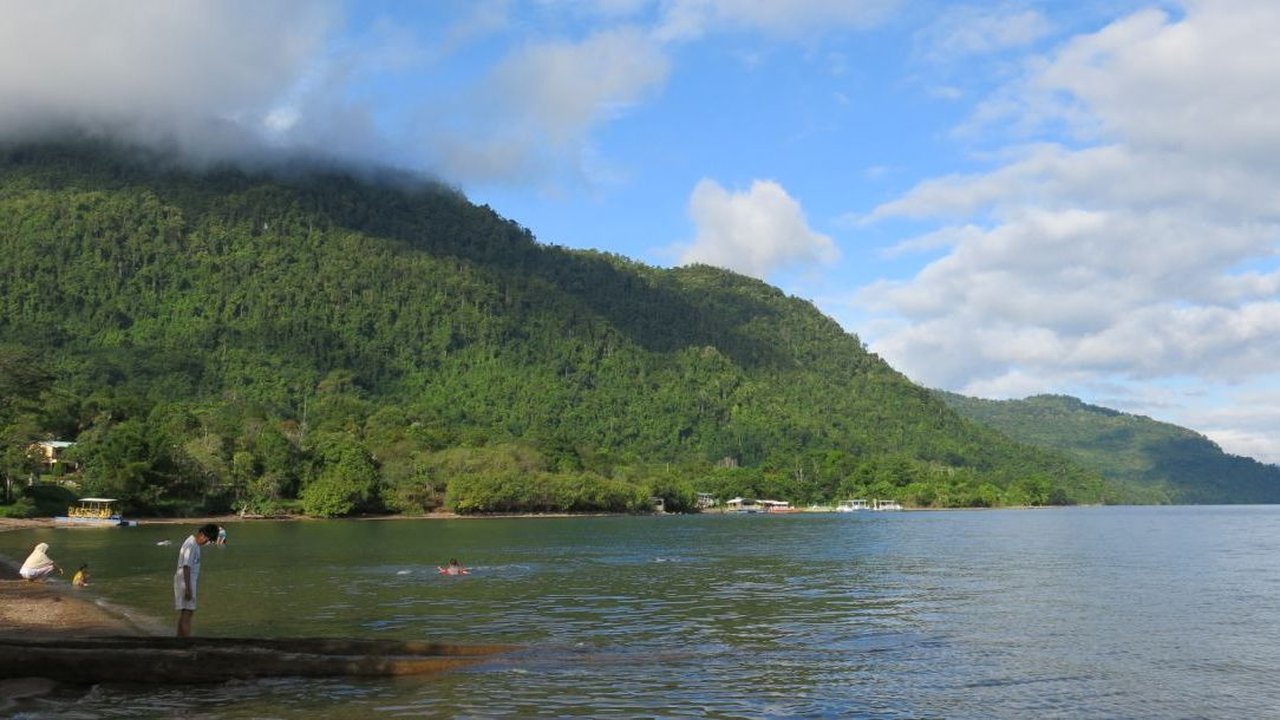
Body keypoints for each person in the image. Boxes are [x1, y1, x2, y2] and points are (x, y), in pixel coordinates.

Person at [174, 523, 220, 637]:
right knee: (188, 613)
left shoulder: (194, 544)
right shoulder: (191, 545)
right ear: (202, 535)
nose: (207, 543)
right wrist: (188, 589)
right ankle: (186, 642)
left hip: (186, 580)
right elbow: (186, 567)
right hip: (186, 581)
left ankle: (179, 639)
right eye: (208, 540)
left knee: (185, 612)